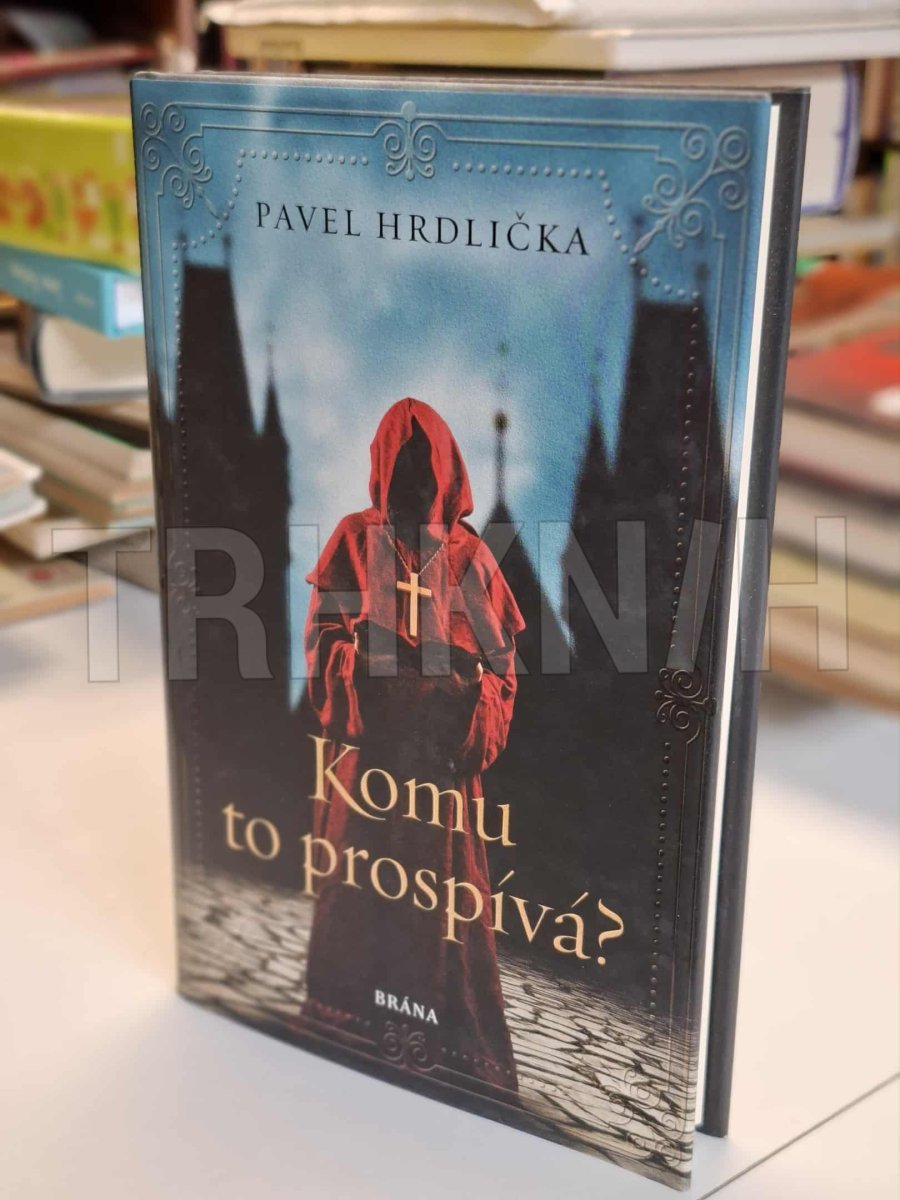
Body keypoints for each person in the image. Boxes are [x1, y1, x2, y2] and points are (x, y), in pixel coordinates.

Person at [299, 396, 524, 1099]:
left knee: (440, 912)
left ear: (448, 474)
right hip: (368, 762)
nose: (415, 485)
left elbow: (502, 677)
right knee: (357, 890)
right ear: (383, 469)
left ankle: (450, 1053)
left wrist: (465, 693)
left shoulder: (471, 559)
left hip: (436, 771)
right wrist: (365, 661)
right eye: (404, 469)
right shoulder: (352, 539)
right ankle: (345, 1031)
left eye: (427, 471)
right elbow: (322, 644)